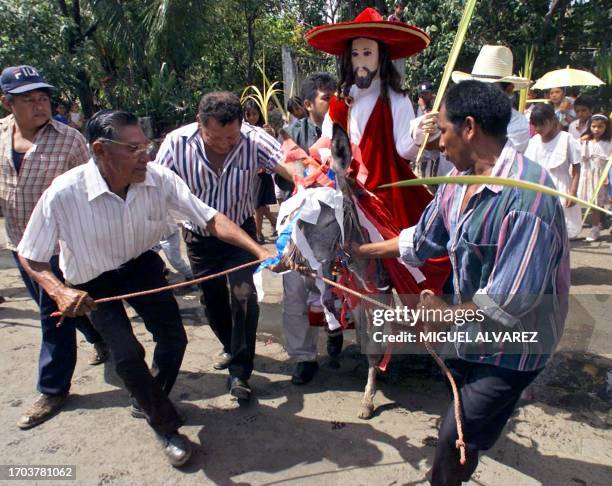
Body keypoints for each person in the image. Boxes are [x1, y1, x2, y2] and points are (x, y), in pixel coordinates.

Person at [17, 109, 275, 466]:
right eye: (134, 148)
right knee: (126, 354)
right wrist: (59, 290)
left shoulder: (159, 179)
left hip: (142, 269)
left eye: (146, 146)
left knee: (175, 340)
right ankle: (165, 426)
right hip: (92, 282)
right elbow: (31, 256)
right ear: (101, 149)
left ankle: (149, 397)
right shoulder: (64, 193)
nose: (147, 156)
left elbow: (209, 217)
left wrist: (259, 250)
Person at [356, 81, 569, 486]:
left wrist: (445, 314)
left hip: (516, 346)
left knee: (456, 434)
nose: (438, 141)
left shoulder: (528, 200)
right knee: (461, 427)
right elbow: (422, 240)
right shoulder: (457, 181)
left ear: (468, 128)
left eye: (443, 129)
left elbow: (511, 302)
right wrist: (361, 251)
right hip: (472, 331)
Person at [155, 91, 292, 400]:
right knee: (212, 301)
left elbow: (291, 165)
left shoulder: (254, 139)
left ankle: (240, 372)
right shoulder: (176, 144)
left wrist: (311, 184)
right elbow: (153, 185)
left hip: (240, 233)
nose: (225, 144)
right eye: (215, 137)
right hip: (199, 236)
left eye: (231, 138)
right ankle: (231, 345)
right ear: (199, 124)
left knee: (245, 296)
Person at [0, 65, 108, 430]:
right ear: (7, 103)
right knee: (66, 309)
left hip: (62, 248)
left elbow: (91, 188)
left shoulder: (69, 139)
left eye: (43, 98)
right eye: (28, 100)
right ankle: (99, 338)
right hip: (21, 245)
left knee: (53, 319)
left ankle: (52, 389)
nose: (39, 106)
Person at [283, 72, 338, 384]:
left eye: (336, 97)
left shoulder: (350, 131)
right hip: (301, 224)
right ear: (307, 104)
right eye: (326, 98)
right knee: (294, 290)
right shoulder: (293, 134)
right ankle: (304, 357)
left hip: (339, 224)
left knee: (340, 286)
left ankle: (336, 333)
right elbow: (289, 177)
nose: (333, 104)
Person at [451, 45, 530, 152]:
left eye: (487, 87)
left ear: (509, 89)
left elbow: (493, 157)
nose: (479, 92)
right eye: (476, 86)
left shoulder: (518, 125)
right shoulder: (462, 115)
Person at [525, 103, 582, 239]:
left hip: (561, 187)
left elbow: (576, 168)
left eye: (542, 124)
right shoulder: (534, 142)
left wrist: (572, 193)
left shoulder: (566, 139)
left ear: (552, 120)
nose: (538, 128)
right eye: (535, 125)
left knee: (560, 229)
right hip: (538, 187)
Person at [244, 99, 278, 243]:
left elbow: (274, 148)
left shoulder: (265, 129)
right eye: (249, 114)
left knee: (258, 205)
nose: (252, 117)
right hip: (249, 173)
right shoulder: (241, 130)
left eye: (255, 114)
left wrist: (271, 134)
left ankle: (258, 234)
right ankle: (276, 225)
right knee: (260, 205)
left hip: (262, 173)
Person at [578, 114, 611, 242]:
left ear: (606, 128)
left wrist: (607, 175)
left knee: (597, 203)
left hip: (601, 176)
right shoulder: (586, 141)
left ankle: (595, 227)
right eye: (594, 126)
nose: (596, 129)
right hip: (587, 174)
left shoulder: (608, 143)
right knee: (591, 203)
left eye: (600, 127)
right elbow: (580, 156)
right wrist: (582, 141)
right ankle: (595, 226)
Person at [387, 2, 407, 85]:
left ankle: (400, 88)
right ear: (395, 8)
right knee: (392, 70)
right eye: (399, 8)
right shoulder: (391, 18)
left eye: (402, 8)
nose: (401, 10)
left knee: (401, 71)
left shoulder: (403, 20)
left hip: (401, 49)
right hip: (392, 48)